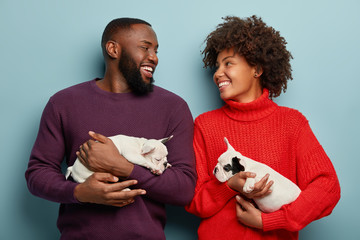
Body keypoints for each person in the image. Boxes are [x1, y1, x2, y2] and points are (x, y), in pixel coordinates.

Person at [25, 17, 196, 240]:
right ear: (113, 49)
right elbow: (38, 173)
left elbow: (184, 189)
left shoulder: (173, 107)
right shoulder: (63, 103)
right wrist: (79, 192)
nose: (153, 57)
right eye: (145, 47)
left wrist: (124, 167)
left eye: (156, 50)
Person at [185, 15, 340, 240]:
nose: (218, 73)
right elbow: (192, 199)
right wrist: (229, 186)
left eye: (228, 63)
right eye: (217, 66)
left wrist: (267, 221)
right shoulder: (205, 125)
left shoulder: (291, 123)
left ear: (256, 69)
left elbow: (328, 187)